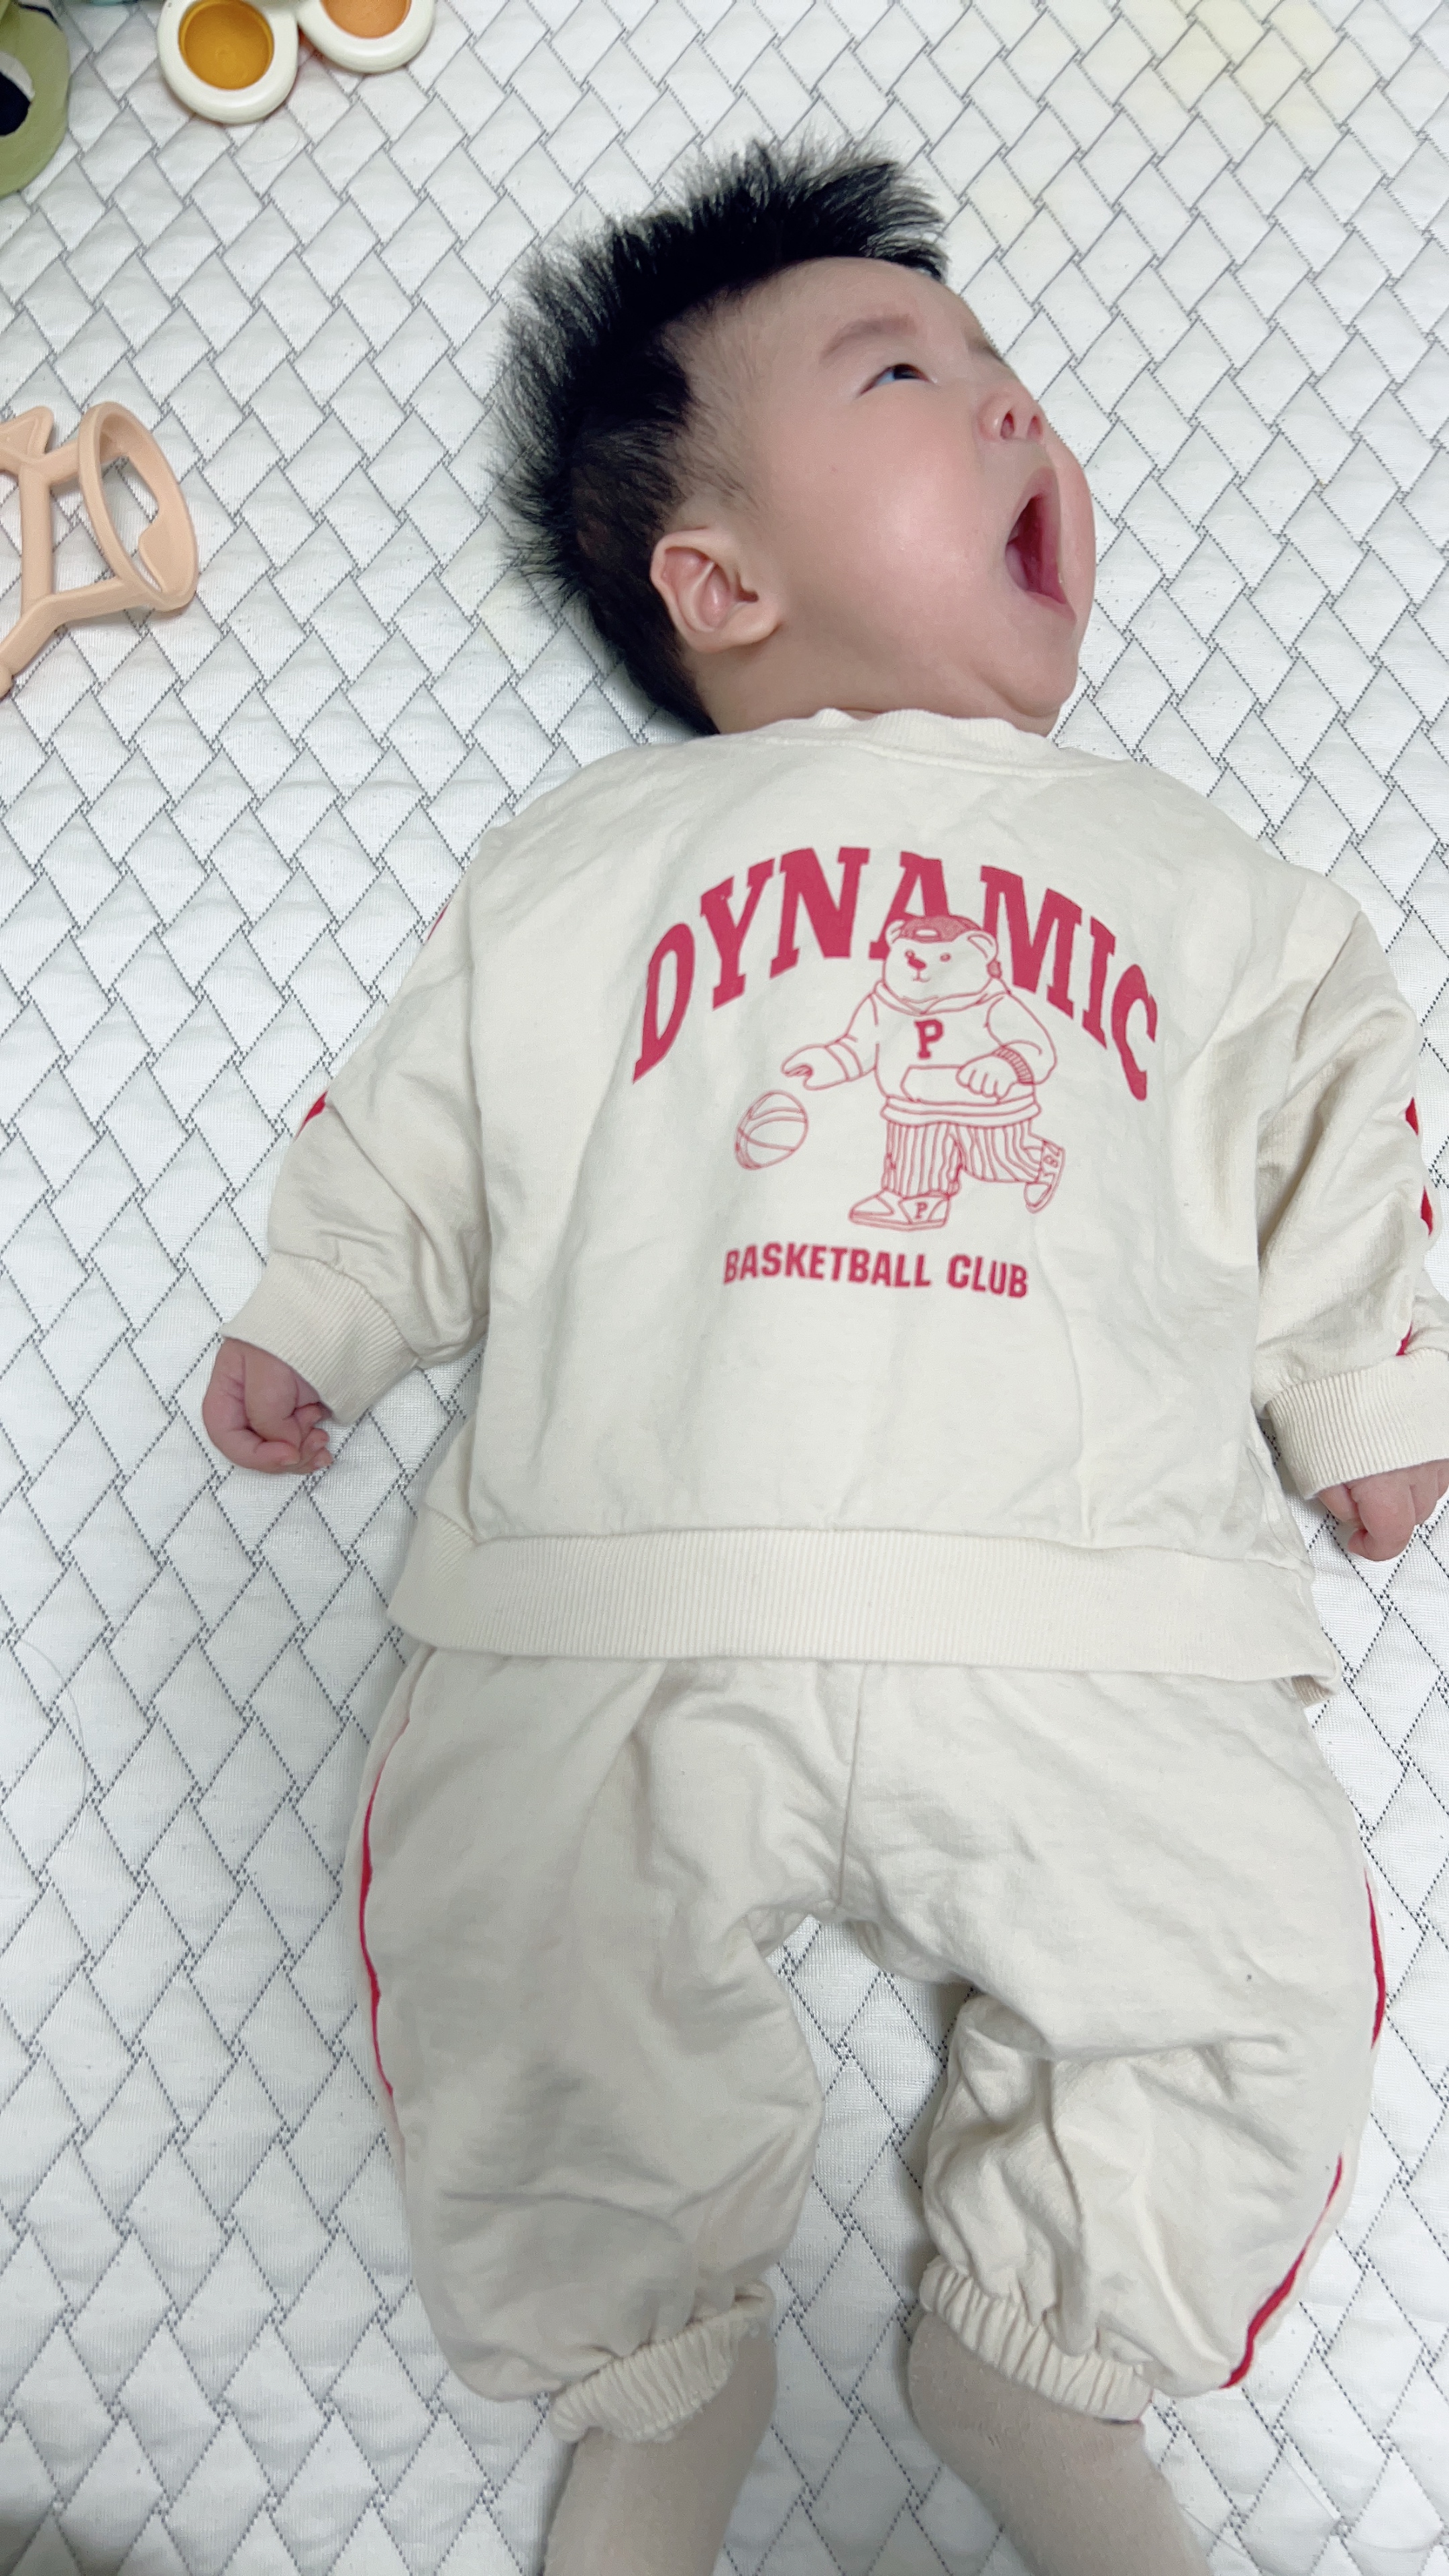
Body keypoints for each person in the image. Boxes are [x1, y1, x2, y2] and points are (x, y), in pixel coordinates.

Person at [199, 141, 1449, 2576]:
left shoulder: (1214, 887)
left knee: (1247, 1970)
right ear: (722, 583)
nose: (1012, 409)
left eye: (1010, 375)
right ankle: (654, 2372)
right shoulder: (592, 858)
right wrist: (329, 1303)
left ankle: (1045, 2361)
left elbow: (1346, 1124)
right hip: (626, 1595)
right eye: (907, 375)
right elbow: (433, 1098)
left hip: (1105, 1617)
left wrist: (1372, 1392)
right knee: (523, 1967)